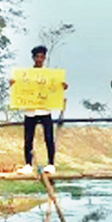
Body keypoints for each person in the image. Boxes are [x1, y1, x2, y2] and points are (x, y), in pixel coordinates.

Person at [13, 45, 68, 174]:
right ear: (33, 58)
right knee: (28, 138)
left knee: (48, 137)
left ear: (44, 58)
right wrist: (13, 84)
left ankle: (51, 164)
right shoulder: (25, 75)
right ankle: (27, 164)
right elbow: (18, 87)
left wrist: (62, 87)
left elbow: (55, 88)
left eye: (42, 57)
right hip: (30, 109)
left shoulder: (50, 75)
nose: (39, 59)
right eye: (37, 57)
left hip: (44, 109)